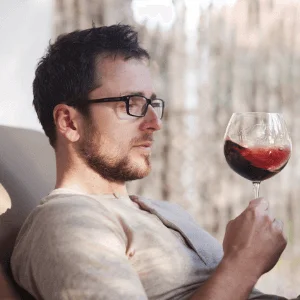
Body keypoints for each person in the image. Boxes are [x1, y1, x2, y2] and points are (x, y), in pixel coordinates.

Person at [10, 24, 298, 300]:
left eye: (152, 104)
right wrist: (243, 263)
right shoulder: (68, 222)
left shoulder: (160, 210)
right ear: (69, 122)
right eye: (132, 104)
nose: (155, 123)